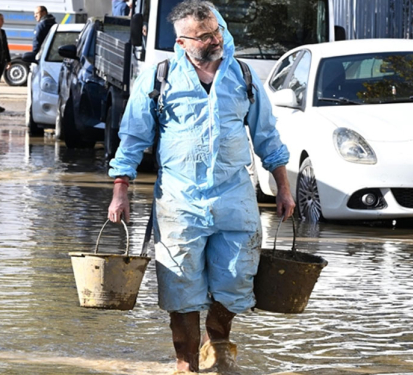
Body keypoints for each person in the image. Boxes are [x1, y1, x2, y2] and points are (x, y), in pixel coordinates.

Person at [106, 1, 295, 373]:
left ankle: (217, 338)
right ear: (182, 41)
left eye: (217, 32)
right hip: (180, 202)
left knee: (239, 281)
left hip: (235, 198)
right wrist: (120, 190)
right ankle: (186, 365)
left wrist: (284, 188)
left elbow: (267, 137)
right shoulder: (159, 77)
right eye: (205, 36)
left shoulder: (241, 76)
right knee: (181, 290)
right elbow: (131, 139)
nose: (215, 40)